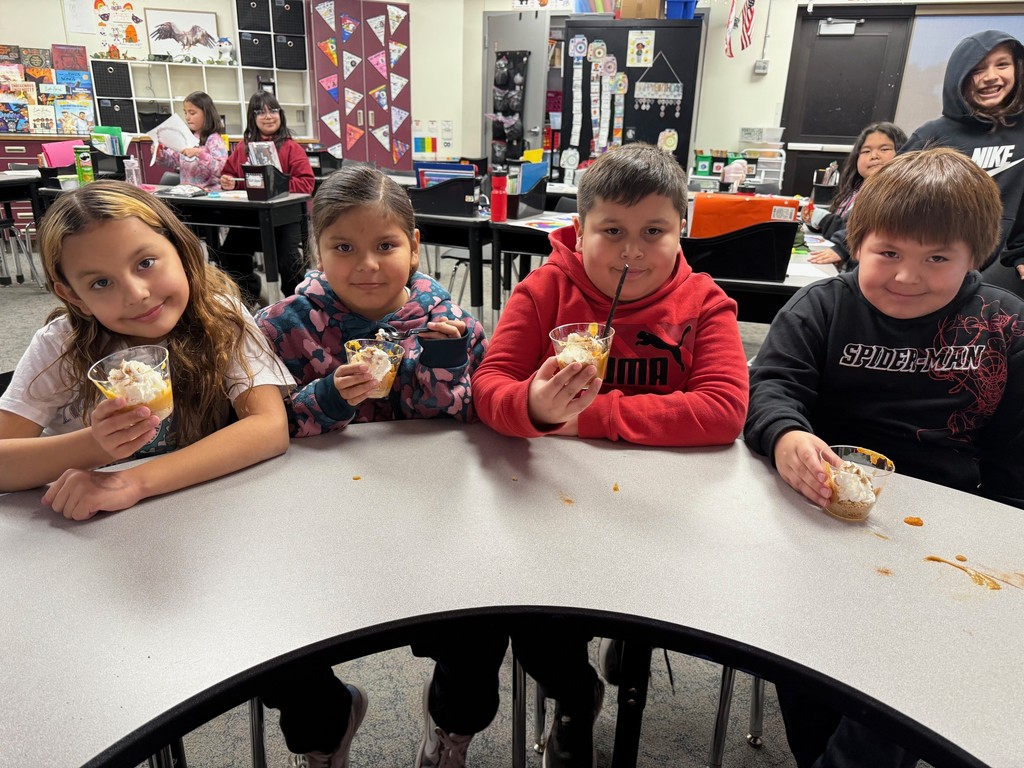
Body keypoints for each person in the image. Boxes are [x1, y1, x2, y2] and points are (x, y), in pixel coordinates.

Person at [745, 147, 1024, 768]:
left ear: (974, 257)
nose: (906, 277)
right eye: (888, 253)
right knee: (814, 677)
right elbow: (771, 388)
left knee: (891, 709)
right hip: (821, 524)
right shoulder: (823, 306)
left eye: (937, 258)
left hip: (948, 547)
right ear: (858, 242)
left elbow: (1015, 458)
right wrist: (786, 435)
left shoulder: (1004, 325)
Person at [472, 142, 749, 766]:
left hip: (665, 516)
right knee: (537, 626)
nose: (632, 251)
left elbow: (725, 410)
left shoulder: (704, 303)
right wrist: (538, 408)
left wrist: (587, 415)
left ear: (682, 231)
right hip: (556, 510)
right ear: (579, 228)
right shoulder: (545, 292)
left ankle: (634, 642)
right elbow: (490, 388)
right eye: (612, 231)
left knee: (653, 615)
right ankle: (576, 696)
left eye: (654, 231)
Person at [253, 164, 488, 767]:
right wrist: (330, 395)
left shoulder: (451, 324)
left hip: (425, 518)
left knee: (481, 627)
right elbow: (260, 427)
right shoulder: (283, 328)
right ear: (316, 252)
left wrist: (440, 368)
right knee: (274, 641)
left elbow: (466, 423)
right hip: (313, 527)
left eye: (386, 245)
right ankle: (324, 730)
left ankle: (450, 728)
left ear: (414, 247)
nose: (367, 265)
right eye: (343, 248)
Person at [0, 180, 293, 520]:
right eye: (101, 283)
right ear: (75, 297)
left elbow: (270, 427)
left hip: (196, 514)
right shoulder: (60, 345)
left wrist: (132, 483)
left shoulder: (221, 316)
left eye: (145, 263)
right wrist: (94, 445)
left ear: (182, 249)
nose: (136, 293)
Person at [898, 31, 1024, 295]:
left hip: (1004, 272)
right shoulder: (932, 135)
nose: (991, 76)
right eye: (977, 69)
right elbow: (885, 201)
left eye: (1002, 64)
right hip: (933, 266)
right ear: (960, 76)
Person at [217, 91, 315, 306]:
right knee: (229, 253)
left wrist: (275, 185)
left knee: (288, 262)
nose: (268, 116)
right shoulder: (243, 149)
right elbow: (230, 175)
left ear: (280, 115)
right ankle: (251, 296)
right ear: (253, 118)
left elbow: (306, 184)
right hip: (252, 218)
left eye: (273, 111)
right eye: (260, 112)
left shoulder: (292, 148)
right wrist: (228, 181)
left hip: (285, 219)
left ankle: (297, 306)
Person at [803, 121, 906, 267]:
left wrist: (840, 246)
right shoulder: (854, 191)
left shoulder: (899, 194)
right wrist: (816, 223)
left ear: (903, 153)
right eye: (866, 151)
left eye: (884, 149)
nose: (874, 156)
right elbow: (842, 225)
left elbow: (869, 231)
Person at [154, 91, 228, 190]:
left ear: (206, 114)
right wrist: (160, 153)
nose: (187, 117)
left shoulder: (214, 139)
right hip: (187, 193)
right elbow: (173, 162)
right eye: (185, 112)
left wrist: (200, 154)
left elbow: (222, 169)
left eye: (192, 113)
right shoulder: (186, 137)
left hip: (208, 196)